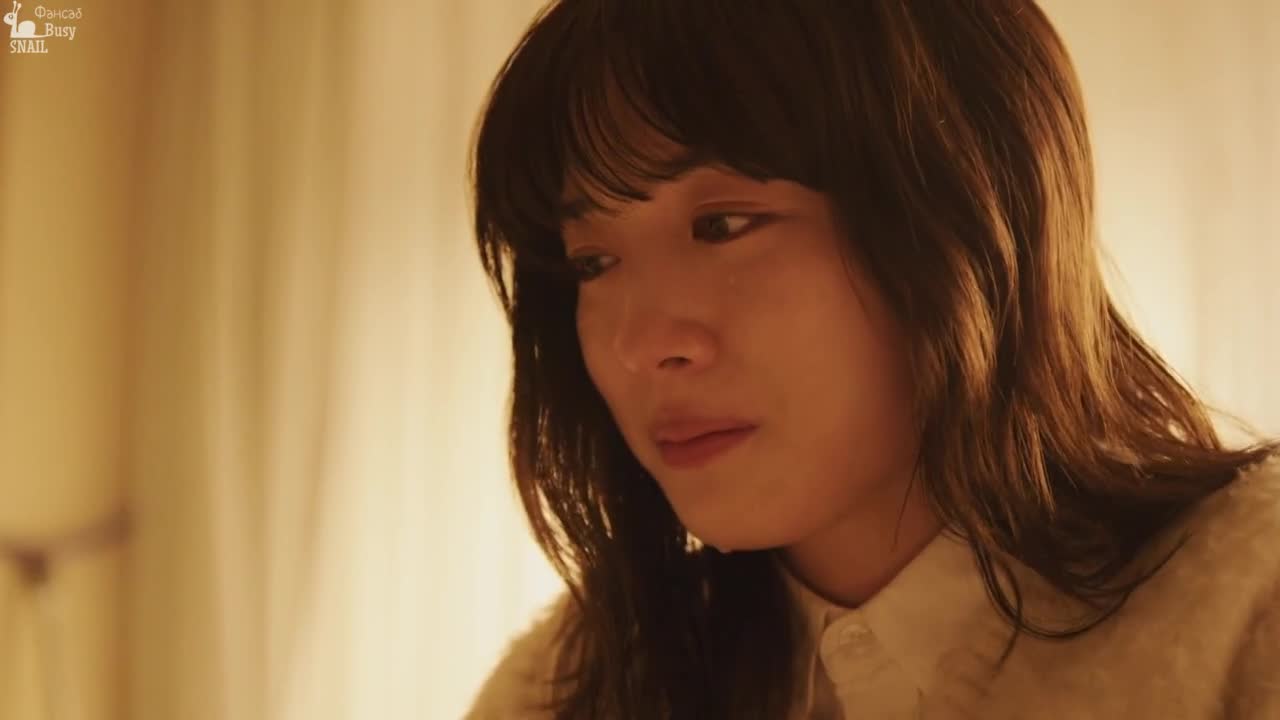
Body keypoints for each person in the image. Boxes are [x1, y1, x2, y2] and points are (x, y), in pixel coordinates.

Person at [462, 1, 1280, 718]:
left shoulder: (1250, 607)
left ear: (963, 215)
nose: (639, 346)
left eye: (723, 226)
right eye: (593, 262)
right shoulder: (566, 690)